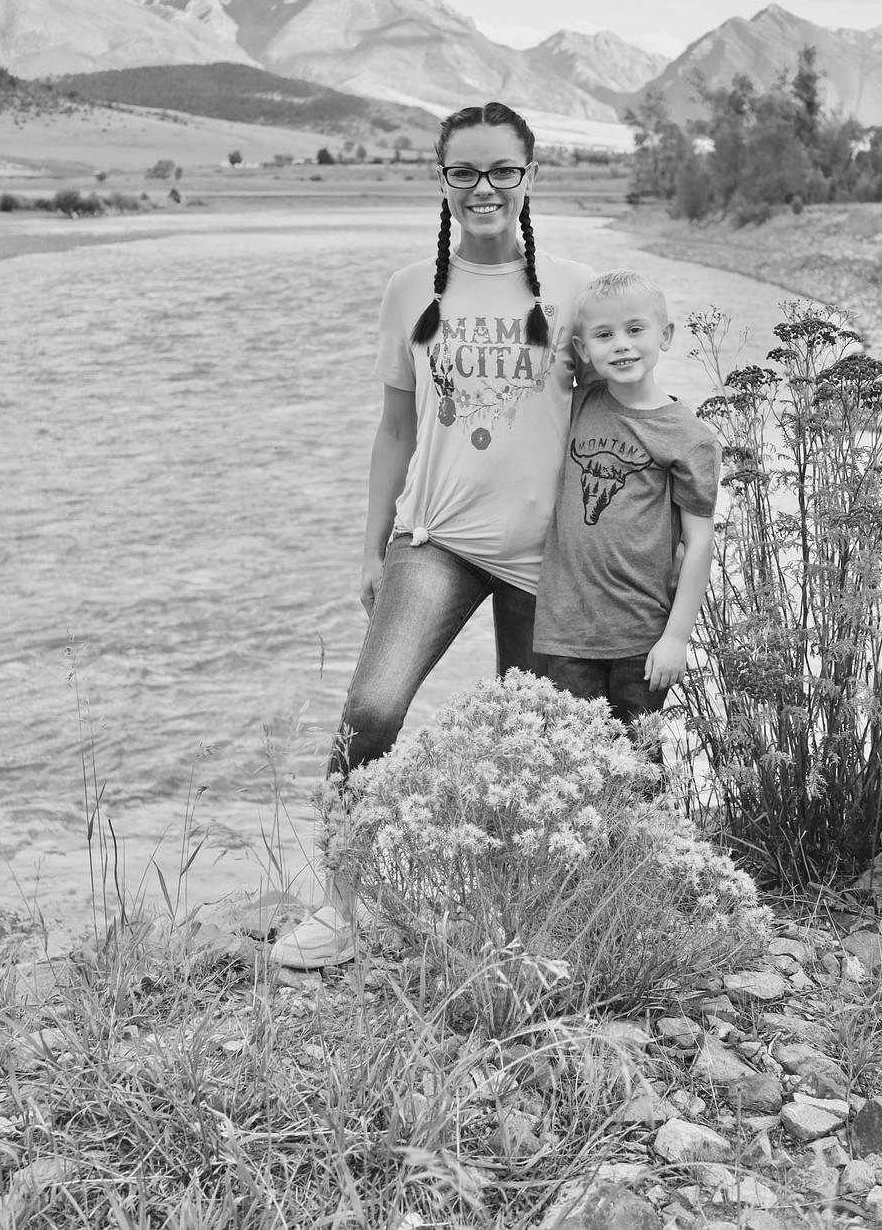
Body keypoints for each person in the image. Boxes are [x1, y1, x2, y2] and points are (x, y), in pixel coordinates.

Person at [272, 101, 594, 968]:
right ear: (442, 180)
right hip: (436, 537)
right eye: (464, 172)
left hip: (547, 555)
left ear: (530, 176)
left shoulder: (573, 291)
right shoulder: (412, 289)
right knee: (370, 711)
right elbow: (394, 429)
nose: (483, 188)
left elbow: (616, 423)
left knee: (532, 747)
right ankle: (340, 908)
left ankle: (523, 923)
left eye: (502, 170)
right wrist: (371, 546)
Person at [533, 269, 720, 725]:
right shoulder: (577, 404)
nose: (621, 345)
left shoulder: (690, 438)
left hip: (642, 637)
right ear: (583, 350)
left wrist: (676, 638)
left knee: (639, 758)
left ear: (665, 336)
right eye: (604, 335)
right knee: (574, 756)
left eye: (635, 330)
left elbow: (699, 542)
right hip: (568, 633)